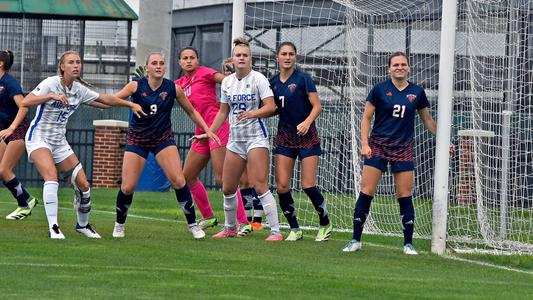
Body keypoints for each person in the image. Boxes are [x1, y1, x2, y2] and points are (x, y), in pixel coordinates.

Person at [23, 50, 145, 239]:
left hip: (59, 141)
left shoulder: (79, 90)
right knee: (51, 177)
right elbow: (26, 101)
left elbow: (106, 100)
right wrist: (50, 96)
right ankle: (53, 227)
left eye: (78, 62)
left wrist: (130, 103)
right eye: (71, 62)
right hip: (39, 138)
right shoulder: (51, 83)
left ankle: (83, 225)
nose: (76, 65)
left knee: (83, 184)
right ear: (62, 67)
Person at [112, 52, 218, 240]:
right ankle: (119, 225)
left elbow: (192, 111)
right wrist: (131, 106)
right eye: (154, 63)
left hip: (163, 139)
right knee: (127, 187)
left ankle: (193, 225)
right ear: (147, 68)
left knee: (179, 180)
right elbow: (113, 99)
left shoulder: (173, 88)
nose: (159, 66)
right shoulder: (136, 85)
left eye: (161, 63)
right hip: (138, 139)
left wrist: (207, 130)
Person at [342, 51, 438, 254]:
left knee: (404, 194)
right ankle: (355, 240)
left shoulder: (417, 92)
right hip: (378, 145)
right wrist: (364, 144)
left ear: (408, 67)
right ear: (389, 68)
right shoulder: (379, 89)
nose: (399, 67)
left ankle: (408, 243)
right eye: (395, 65)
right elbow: (366, 117)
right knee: (367, 190)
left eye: (403, 64)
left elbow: (427, 119)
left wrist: (444, 139)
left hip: (403, 148)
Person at [205, 37, 282, 241]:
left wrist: (253, 114)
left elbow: (271, 106)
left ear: (250, 59)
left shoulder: (259, 79)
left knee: (259, 184)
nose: (241, 58)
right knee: (228, 187)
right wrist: (209, 131)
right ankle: (230, 227)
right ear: (233, 59)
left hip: (255, 138)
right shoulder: (228, 82)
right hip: (235, 140)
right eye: (238, 55)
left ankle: (276, 231)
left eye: (245, 55)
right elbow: (223, 112)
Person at [175, 47, 255, 236]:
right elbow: (161, 90)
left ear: (198, 60)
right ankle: (209, 216)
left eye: (192, 58)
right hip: (200, 132)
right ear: (179, 62)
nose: (188, 61)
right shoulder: (178, 84)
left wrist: (234, 72)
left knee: (223, 179)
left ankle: (244, 222)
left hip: (217, 128)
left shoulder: (206, 73)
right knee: (186, 177)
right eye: (185, 58)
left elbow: (227, 80)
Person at [269, 42, 332, 241]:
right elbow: (271, 107)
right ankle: (295, 228)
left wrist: (307, 122)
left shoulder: (304, 79)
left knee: (308, 185)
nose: (287, 57)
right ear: (277, 57)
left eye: (291, 54)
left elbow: (317, 106)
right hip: (284, 138)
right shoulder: (272, 83)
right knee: (282, 186)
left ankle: (325, 223)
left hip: (307, 138)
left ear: (295, 57)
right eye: (284, 54)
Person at [0, 50, 38, 220]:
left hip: (18, 129)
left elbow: (24, 105)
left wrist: (12, 128)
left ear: (1, 64)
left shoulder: (10, 83)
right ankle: (29, 199)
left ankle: (24, 206)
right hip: (5, 130)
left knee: (4, 169)